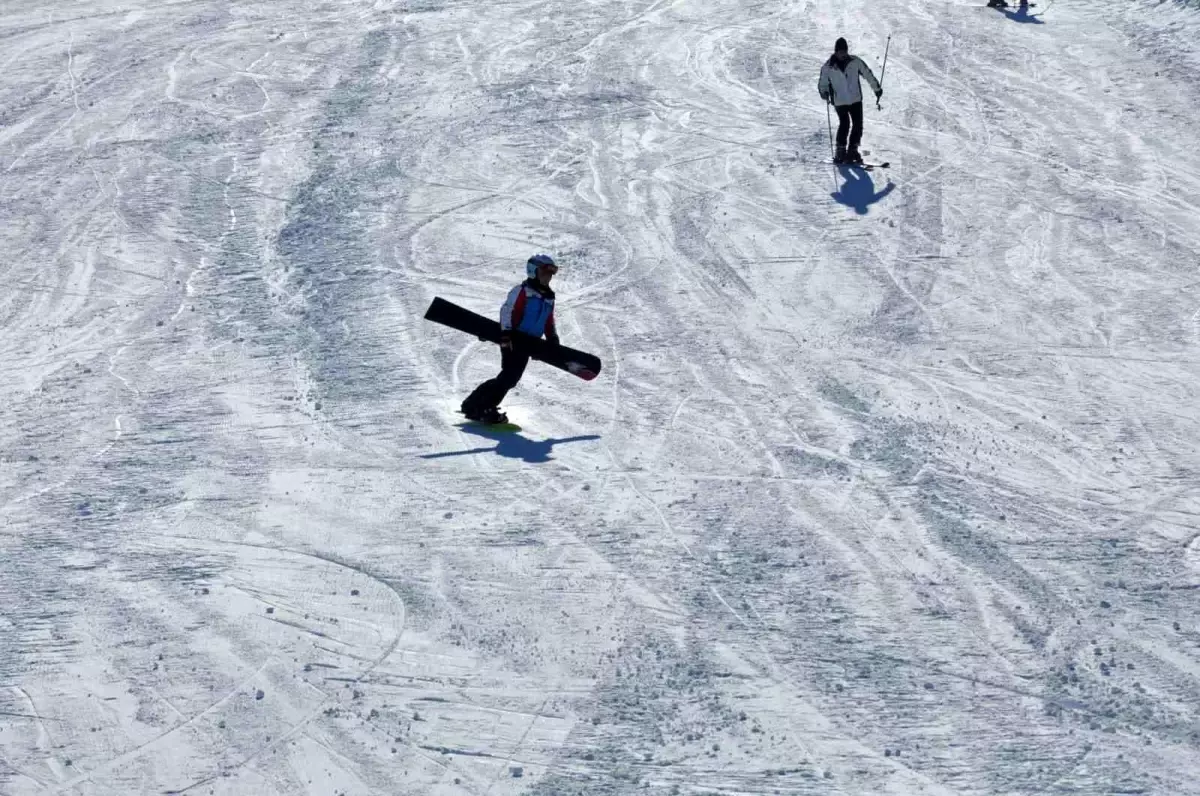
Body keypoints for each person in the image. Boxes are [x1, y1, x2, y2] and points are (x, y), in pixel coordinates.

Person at [460, 254, 560, 424]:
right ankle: (484, 407)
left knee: (509, 378)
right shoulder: (522, 291)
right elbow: (506, 310)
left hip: (529, 343)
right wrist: (506, 333)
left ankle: (473, 404)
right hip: (513, 339)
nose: (548, 277)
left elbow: (548, 319)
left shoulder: (549, 297)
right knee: (509, 377)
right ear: (533, 272)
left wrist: (552, 336)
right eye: (545, 272)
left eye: (551, 274)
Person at [818, 37, 883, 165]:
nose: (843, 54)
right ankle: (840, 150)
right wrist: (824, 92)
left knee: (858, 124)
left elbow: (867, 73)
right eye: (841, 51)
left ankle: (853, 149)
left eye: (845, 51)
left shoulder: (855, 61)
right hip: (840, 101)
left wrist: (876, 88)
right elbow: (823, 83)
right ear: (836, 52)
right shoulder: (828, 67)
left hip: (855, 99)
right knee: (845, 124)